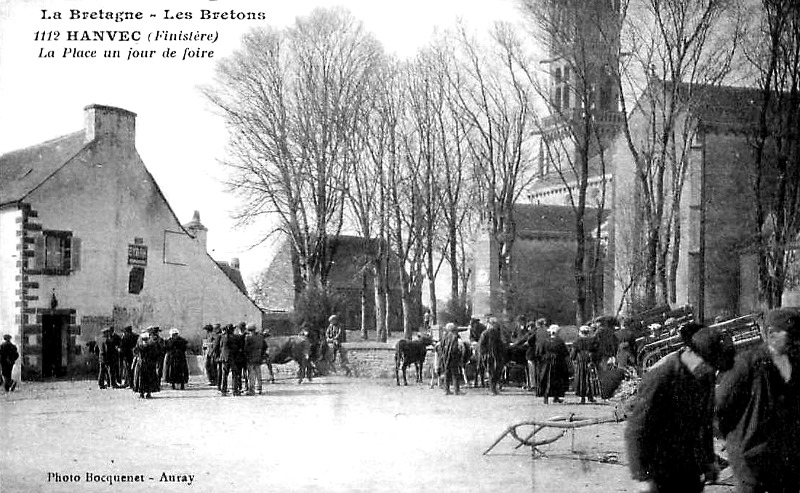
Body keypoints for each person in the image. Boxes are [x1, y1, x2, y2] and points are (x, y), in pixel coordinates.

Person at [625, 325, 732, 493]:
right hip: (659, 468)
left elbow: (704, 423)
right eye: (706, 362)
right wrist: (642, 475)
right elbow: (637, 428)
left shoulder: (705, 376)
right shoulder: (661, 377)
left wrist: (709, 460)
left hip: (689, 469)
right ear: (689, 351)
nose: (710, 370)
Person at [716, 308, 800, 493]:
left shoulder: (796, 363)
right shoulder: (746, 365)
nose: (797, 341)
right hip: (752, 463)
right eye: (792, 335)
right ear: (771, 334)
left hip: (787, 462)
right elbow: (719, 408)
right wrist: (740, 439)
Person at [536, 325, 571, 404]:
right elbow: (565, 354)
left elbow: (540, 352)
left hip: (546, 363)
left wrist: (543, 359)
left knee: (546, 379)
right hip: (557, 363)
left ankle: (546, 397)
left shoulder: (545, 341)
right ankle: (556, 396)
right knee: (557, 380)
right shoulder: (560, 342)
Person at [571, 325, 601, 404]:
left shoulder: (577, 341)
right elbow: (596, 351)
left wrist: (573, 359)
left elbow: (573, 353)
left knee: (581, 379)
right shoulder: (592, 340)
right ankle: (590, 396)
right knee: (590, 379)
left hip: (580, 362)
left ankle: (582, 397)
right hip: (590, 362)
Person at [478, 317, 507, 395]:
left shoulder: (496, 333)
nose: (496, 325)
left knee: (497, 372)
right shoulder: (485, 333)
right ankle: (492, 389)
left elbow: (500, 344)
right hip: (489, 356)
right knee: (491, 372)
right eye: (494, 324)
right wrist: (484, 354)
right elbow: (481, 346)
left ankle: (494, 388)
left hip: (497, 355)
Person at [132, 331, 160, 399]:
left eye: (146, 339)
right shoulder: (145, 345)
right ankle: (144, 393)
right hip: (144, 364)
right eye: (144, 339)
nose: (145, 340)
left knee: (146, 378)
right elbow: (135, 351)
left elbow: (156, 354)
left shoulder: (149, 345)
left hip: (146, 364)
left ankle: (146, 393)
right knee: (143, 378)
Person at [217, 324, 243, 396]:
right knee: (235, 374)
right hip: (233, 358)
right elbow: (238, 348)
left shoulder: (222, 337)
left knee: (224, 374)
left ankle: (223, 390)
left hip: (224, 357)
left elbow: (220, 347)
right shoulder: (236, 337)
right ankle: (235, 390)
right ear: (232, 330)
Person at [440, 323, 463, 395]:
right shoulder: (455, 337)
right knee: (455, 374)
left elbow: (441, 347)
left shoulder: (444, 336)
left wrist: (443, 355)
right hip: (453, 358)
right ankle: (456, 390)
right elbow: (455, 348)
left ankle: (446, 390)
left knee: (447, 373)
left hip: (445, 357)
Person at [244, 323, 266, 395]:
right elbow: (265, 346)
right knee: (258, 373)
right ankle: (259, 388)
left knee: (251, 374)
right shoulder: (260, 337)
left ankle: (252, 389)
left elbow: (246, 348)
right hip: (258, 357)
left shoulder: (248, 337)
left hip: (250, 358)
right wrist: (261, 354)